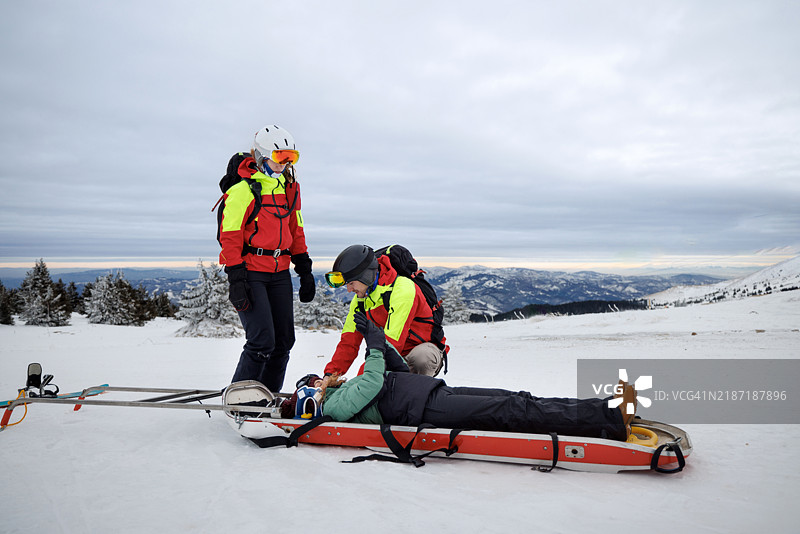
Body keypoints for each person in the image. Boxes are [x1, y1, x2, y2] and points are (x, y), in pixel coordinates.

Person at [296, 313, 637, 441]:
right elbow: (373, 384)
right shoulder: (333, 408)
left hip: (431, 391)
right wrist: (372, 346)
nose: (320, 380)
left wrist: (381, 343)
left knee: (516, 398)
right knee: (509, 411)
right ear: (309, 399)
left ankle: (604, 408)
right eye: (313, 383)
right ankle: (608, 421)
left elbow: (394, 372)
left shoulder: (342, 390)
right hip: (425, 409)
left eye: (315, 378)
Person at [218, 124, 315, 392]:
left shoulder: (290, 189)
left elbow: (296, 229)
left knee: (283, 342)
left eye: (291, 157)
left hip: (280, 273)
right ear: (261, 155)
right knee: (261, 341)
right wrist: (236, 278)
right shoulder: (244, 190)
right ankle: (240, 400)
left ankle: (267, 397)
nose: (285, 163)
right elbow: (230, 236)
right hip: (251, 272)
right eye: (280, 156)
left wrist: (304, 269)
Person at [322, 244, 447, 377]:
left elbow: (391, 344)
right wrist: (330, 375)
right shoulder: (361, 299)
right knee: (376, 377)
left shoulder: (402, 289)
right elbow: (348, 342)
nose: (349, 290)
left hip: (421, 350)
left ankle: (421, 388)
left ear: (366, 276)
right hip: (393, 354)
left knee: (421, 358)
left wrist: (362, 380)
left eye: (351, 283)